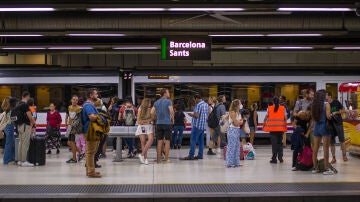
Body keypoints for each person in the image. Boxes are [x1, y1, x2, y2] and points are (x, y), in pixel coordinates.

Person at [311, 89, 334, 175]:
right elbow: (328, 117)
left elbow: (313, 118)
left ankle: (315, 168)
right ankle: (326, 169)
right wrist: (332, 115)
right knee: (325, 149)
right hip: (324, 127)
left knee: (315, 149)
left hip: (316, 127)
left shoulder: (314, 105)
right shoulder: (326, 104)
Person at [151, 88, 174, 163]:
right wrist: (173, 120)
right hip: (167, 123)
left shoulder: (156, 102)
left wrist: (155, 117)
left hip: (159, 123)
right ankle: (166, 159)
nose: (169, 93)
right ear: (164, 93)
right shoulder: (168, 101)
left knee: (159, 141)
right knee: (167, 141)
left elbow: (152, 112)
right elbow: (171, 111)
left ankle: (158, 159)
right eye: (168, 92)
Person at [82, 88, 101, 178]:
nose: (97, 96)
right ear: (91, 95)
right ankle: (91, 172)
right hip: (91, 131)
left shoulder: (90, 105)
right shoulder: (88, 106)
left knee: (91, 151)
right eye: (95, 94)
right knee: (90, 152)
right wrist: (101, 117)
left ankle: (90, 170)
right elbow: (92, 117)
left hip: (91, 130)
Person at [183, 94, 208, 160]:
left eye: (194, 99)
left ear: (196, 98)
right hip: (202, 126)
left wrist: (191, 114)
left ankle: (191, 155)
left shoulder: (198, 105)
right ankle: (200, 155)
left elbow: (196, 115)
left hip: (197, 126)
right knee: (201, 142)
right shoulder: (205, 104)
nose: (194, 101)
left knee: (193, 141)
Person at [263, 97, 287, 164]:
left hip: (272, 129)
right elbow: (285, 118)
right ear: (279, 101)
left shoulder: (269, 108)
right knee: (280, 143)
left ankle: (274, 159)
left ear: (273, 102)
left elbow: (266, 117)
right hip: (280, 129)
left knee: (274, 144)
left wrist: (264, 124)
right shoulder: (283, 108)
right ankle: (280, 158)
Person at [326, 91, 347, 163]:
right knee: (332, 142)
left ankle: (344, 155)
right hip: (330, 124)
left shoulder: (336, 102)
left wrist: (336, 112)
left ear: (329, 96)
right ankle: (333, 157)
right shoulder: (326, 104)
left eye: (326, 95)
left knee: (342, 140)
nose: (325, 97)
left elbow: (344, 110)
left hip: (338, 123)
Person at [16, 91, 36, 167]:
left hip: (19, 126)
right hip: (25, 126)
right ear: (27, 96)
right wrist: (34, 123)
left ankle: (20, 161)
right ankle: (24, 161)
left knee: (20, 143)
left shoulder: (18, 104)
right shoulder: (25, 105)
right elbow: (30, 116)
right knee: (25, 144)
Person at [225, 99, 243, 168]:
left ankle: (236, 163)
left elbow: (239, 122)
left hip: (237, 130)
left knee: (237, 147)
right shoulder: (232, 112)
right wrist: (240, 122)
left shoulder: (238, 113)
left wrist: (239, 122)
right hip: (232, 130)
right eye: (240, 103)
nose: (241, 105)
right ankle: (229, 163)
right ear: (237, 105)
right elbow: (236, 123)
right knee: (231, 147)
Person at [136, 98, 154, 165]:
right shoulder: (140, 109)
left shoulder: (151, 109)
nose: (150, 104)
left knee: (151, 139)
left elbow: (152, 118)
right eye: (149, 103)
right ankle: (145, 158)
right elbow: (139, 121)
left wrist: (145, 121)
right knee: (143, 142)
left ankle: (142, 155)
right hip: (142, 127)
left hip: (149, 126)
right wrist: (147, 121)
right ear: (146, 103)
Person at [65, 95, 82, 163]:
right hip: (69, 127)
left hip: (75, 128)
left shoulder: (79, 108)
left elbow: (79, 120)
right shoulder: (69, 107)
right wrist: (66, 125)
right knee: (69, 143)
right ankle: (81, 153)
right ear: (71, 100)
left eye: (76, 100)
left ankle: (74, 158)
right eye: (74, 99)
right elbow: (67, 117)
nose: (75, 101)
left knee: (72, 142)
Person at [1, 97, 17, 165]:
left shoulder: (7, 109)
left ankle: (12, 159)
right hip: (9, 127)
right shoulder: (11, 110)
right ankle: (7, 160)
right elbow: (14, 119)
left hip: (7, 127)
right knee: (9, 144)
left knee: (12, 143)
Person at [94, 98, 108, 168]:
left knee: (92, 148)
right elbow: (107, 121)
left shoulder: (91, 111)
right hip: (102, 132)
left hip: (93, 132)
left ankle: (89, 162)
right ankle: (94, 162)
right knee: (98, 148)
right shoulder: (103, 111)